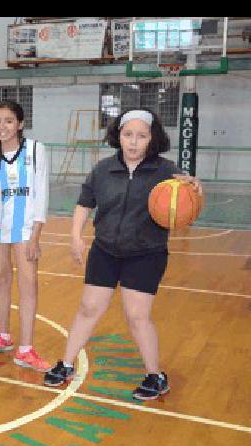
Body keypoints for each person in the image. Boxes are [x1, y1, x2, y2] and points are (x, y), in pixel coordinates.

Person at [44, 108, 203, 401]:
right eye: (128, 135)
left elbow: (189, 194)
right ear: (118, 135)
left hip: (146, 253)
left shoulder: (165, 171)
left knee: (137, 315)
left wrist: (194, 187)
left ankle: (155, 376)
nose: (133, 142)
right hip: (105, 250)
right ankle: (66, 364)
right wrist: (76, 237)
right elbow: (84, 203)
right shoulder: (103, 169)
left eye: (141, 136)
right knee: (88, 308)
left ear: (152, 139)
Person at [0, 100, 52, 373]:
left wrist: (36, 237)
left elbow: (41, 193)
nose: (2, 126)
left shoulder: (35, 150)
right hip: (2, 229)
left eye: (9, 120)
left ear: (20, 124)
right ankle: (4, 336)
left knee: (28, 283)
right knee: (0, 280)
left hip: (26, 228)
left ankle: (26, 349)